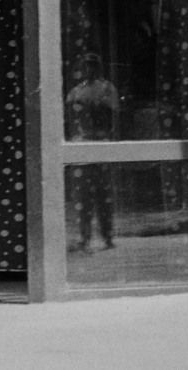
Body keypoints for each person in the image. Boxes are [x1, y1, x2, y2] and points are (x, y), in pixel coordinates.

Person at [65, 52, 119, 250]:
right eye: (86, 65)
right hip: (82, 148)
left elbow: (112, 115)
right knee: (83, 198)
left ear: (98, 67)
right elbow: (70, 120)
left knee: (104, 196)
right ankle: (84, 237)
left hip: (101, 146)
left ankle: (108, 236)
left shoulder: (106, 89)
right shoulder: (75, 92)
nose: (89, 69)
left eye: (93, 65)